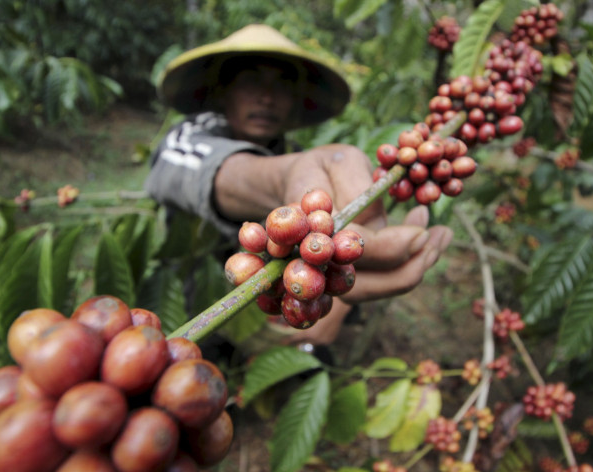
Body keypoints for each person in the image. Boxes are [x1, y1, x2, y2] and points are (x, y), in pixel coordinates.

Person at [144, 24, 453, 351]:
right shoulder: (189, 136)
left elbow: (328, 258)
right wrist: (284, 175)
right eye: (251, 80)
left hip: (274, 318)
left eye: (282, 84)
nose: (267, 96)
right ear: (223, 90)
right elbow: (192, 171)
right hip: (194, 306)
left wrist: (336, 293)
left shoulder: (289, 148)